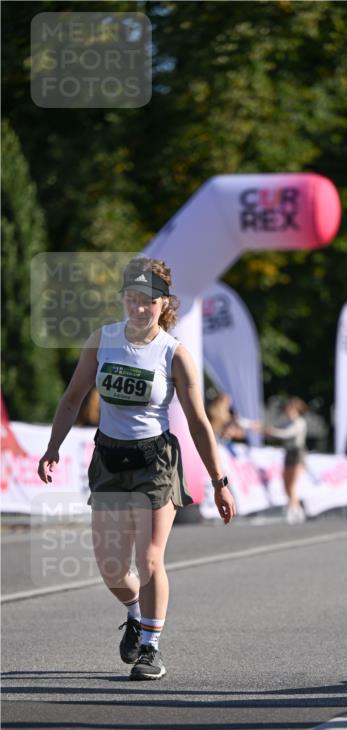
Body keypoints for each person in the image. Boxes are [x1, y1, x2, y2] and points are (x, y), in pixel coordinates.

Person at [38, 256, 237, 681]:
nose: (139, 307)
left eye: (148, 300)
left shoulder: (174, 354)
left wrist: (219, 482)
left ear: (164, 303)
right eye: (132, 298)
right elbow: (72, 398)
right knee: (112, 568)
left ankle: (150, 647)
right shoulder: (102, 340)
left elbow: (199, 423)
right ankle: (135, 614)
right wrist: (52, 447)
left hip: (155, 462)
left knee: (148, 559)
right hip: (109, 459)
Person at [263, 397, 308, 524]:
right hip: (288, 453)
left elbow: (286, 433)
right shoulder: (286, 421)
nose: (287, 409)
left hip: (298, 453)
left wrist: (272, 432)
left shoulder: (299, 422)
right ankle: (296, 508)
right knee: (286, 484)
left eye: (290, 407)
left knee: (292, 484)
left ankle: (292, 510)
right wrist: (263, 428)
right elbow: (273, 428)